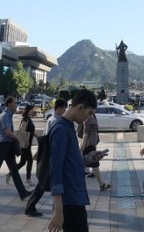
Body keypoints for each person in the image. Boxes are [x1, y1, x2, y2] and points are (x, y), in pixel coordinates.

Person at [48, 89, 107, 232]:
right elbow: (55, 170)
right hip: (69, 204)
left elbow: (71, 163)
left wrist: (88, 158)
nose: (88, 118)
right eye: (88, 113)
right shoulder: (61, 130)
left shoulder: (68, 128)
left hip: (75, 199)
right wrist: (58, 211)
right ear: (80, 107)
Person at [0, 96, 32, 204]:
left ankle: (23, 193)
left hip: (8, 146)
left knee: (14, 171)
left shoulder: (9, 115)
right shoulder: (5, 115)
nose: (16, 105)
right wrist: (17, 138)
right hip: (3, 146)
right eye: (14, 103)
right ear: (9, 104)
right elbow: (7, 132)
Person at [25, 98, 68, 217]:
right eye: (64, 109)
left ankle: (32, 206)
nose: (65, 111)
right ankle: (32, 207)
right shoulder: (54, 121)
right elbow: (48, 139)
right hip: (51, 156)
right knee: (44, 183)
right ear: (59, 108)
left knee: (44, 183)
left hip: (50, 155)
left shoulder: (53, 120)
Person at [81, 110, 111, 191]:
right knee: (92, 164)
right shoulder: (88, 118)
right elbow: (85, 134)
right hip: (88, 145)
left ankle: (101, 184)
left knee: (93, 165)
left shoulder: (93, 115)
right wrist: (82, 147)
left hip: (91, 144)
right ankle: (101, 185)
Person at [7, 104, 37, 187]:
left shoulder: (28, 119)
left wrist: (37, 137)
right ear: (28, 110)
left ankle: (10, 174)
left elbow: (30, 130)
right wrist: (26, 140)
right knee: (30, 161)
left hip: (28, 144)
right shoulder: (25, 120)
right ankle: (28, 179)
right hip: (25, 144)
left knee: (23, 162)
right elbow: (22, 130)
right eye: (31, 110)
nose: (33, 111)